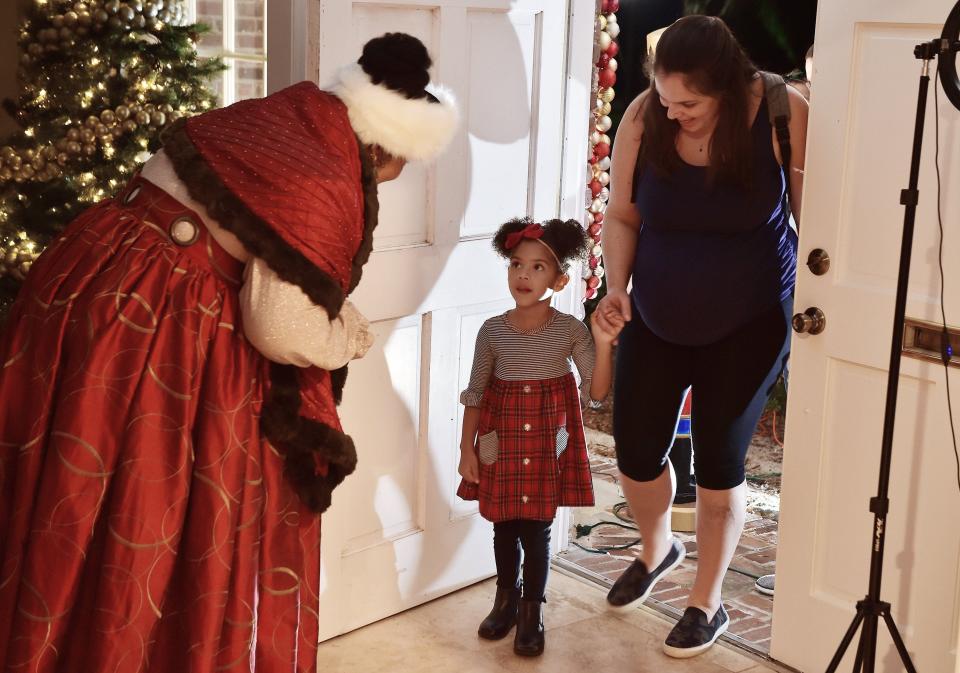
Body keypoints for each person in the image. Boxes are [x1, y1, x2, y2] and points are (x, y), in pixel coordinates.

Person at [0, 32, 458, 672]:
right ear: (381, 144)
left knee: (62, 486)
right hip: (147, 323)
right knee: (139, 496)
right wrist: (347, 335)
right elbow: (281, 326)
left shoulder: (292, 113)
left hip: (88, 276)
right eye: (393, 167)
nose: (387, 181)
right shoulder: (328, 171)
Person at [592, 15, 807, 658]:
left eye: (689, 102)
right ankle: (657, 546)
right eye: (665, 98)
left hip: (750, 319)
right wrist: (617, 287)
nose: (674, 111)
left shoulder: (779, 112)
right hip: (656, 313)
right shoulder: (644, 116)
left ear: (728, 86)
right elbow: (624, 216)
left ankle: (705, 601)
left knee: (718, 468)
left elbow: (813, 219)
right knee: (633, 452)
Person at [456, 218, 622, 657]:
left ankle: (533, 609)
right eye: (516, 264)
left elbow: (598, 391)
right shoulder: (492, 330)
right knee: (504, 526)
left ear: (561, 278)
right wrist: (465, 450)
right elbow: (475, 394)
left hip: (547, 444)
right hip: (502, 440)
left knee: (537, 529)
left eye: (537, 268)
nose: (524, 276)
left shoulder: (570, 330)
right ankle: (505, 599)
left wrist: (603, 343)